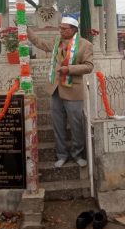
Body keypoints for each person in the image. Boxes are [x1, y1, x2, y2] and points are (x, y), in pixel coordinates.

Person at [27, 15, 93, 168]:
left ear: (73, 30)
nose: (61, 31)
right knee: (58, 125)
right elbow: (39, 43)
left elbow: (89, 66)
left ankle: (77, 154)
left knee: (76, 125)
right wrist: (26, 29)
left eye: (64, 28)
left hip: (73, 90)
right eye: (60, 28)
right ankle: (61, 154)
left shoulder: (85, 45)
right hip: (55, 90)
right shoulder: (58, 42)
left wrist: (69, 69)